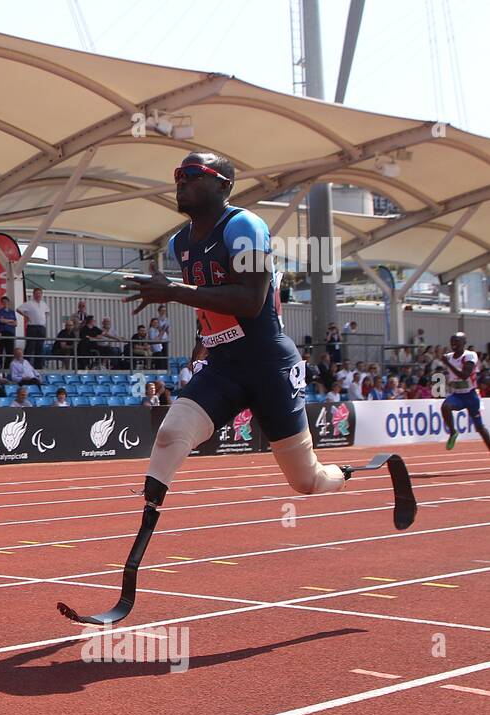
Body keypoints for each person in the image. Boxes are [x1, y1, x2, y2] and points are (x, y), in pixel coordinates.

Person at [71, 152, 414, 627]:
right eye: (177, 175)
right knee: (171, 436)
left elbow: (251, 301)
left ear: (223, 184)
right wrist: (200, 342)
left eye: (192, 176)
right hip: (225, 365)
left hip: (268, 365)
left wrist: (173, 292)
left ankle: (370, 468)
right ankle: (135, 560)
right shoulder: (179, 243)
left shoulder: (245, 226)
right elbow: (212, 303)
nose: (181, 183)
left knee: (307, 481)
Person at [439, 332, 490, 452]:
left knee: (480, 428)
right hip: (457, 396)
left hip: (471, 396)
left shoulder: (470, 356)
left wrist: (447, 364)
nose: (453, 343)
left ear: (464, 343)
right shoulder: (449, 357)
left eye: (457, 341)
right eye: (452, 341)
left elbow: (464, 375)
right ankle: (453, 432)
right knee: (445, 407)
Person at [16, 288, 48, 367]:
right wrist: (26, 316)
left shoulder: (44, 304)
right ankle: (26, 365)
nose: (38, 295)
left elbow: (47, 312)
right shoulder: (29, 303)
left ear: (41, 294)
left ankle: (39, 366)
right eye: (36, 293)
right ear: (34, 294)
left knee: (40, 347)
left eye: (39, 293)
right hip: (32, 327)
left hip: (41, 327)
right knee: (30, 346)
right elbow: (18, 309)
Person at [0, 295, 18, 359]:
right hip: (2, 332)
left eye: (6, 301)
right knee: (0, 350)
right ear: (2, 303)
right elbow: (1, 320)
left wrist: (6, 321)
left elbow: (15, 324)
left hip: (10, 332)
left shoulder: (12, 312)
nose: (5, 303)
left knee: (10, 351)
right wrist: (11, 320)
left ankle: (7, 367)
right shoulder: (0, 311)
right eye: (3, 302)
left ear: (8, 302)